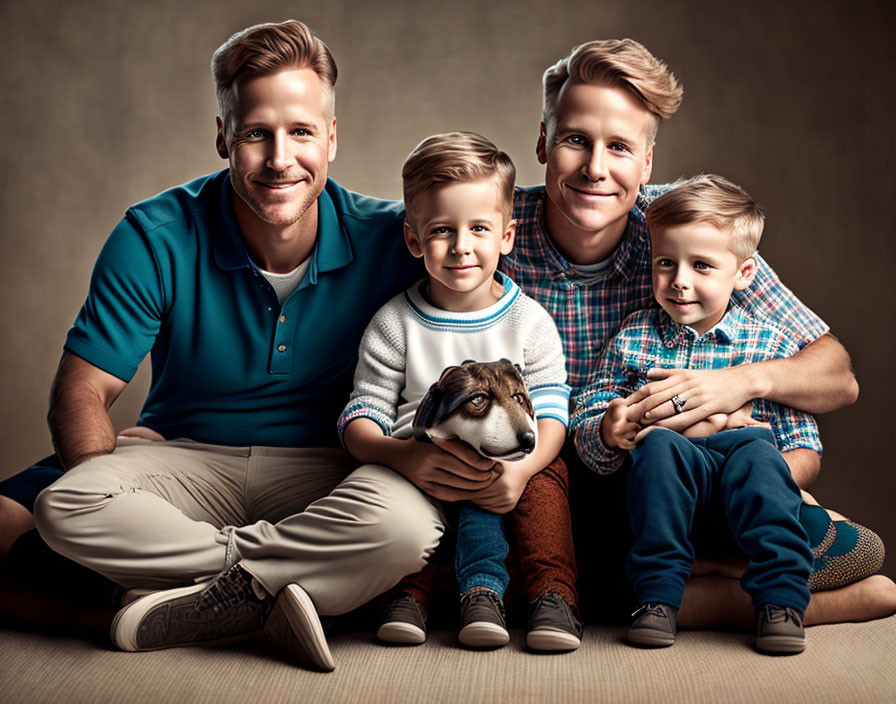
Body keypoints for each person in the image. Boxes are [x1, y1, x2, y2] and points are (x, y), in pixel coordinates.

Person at [13, 20, 485, 672]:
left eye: (300, 132)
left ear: (332, 138)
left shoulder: (393, 239)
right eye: (256, 133)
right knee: (66, 503)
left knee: (407, 527)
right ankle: (260, 597)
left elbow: (493, 282)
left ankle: (178, 595)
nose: (279, 157)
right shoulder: (155, 234)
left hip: (330, 471)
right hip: (187, 464)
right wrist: (108, 476)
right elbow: (83, 390)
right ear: (223, 138)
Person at [499, 38, 896, 626]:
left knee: (737, 493)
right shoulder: (491, 235)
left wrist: (736, 383)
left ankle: (728, 561)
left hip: (686, 477)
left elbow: (838, 376)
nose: (596, 168)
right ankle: (744, 586)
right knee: (540, 579)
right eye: (575, 140)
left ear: (648, 163)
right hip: (560, 483)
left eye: (620, 147)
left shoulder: (682, 230)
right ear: (543, 142)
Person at [338, 132, 582, 652]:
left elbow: (556, 412)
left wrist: (520, 469)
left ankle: (553, 596)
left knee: (550, 479)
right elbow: (362, 417)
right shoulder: (395, 323)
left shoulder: (529, 322)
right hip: (421, 460)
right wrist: (402, 457)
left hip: (515, 461)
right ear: (413, 239)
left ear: (507, 235)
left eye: (479, 229)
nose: (462, 246)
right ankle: (406, 596)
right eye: (442, 231)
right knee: (389, 492)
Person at [573, 174, 834, 654]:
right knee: (659, 447)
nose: (680, 282)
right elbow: (588, 415)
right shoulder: (635, 338)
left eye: (702, 266)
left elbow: (804, 445)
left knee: (759, 455)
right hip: (665, 492)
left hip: (745, 489)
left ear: (744, 274)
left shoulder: (769, 345)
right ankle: (657, 601)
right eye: (666, 263)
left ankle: (781, 603)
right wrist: (608, 430)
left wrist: (768, 459)